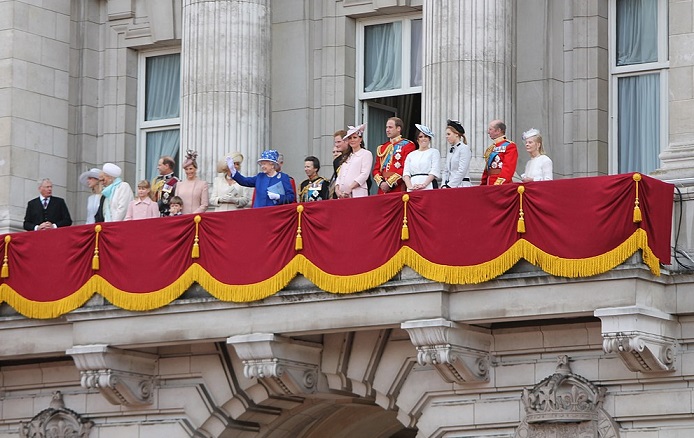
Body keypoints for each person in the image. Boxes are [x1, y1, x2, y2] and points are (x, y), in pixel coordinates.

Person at [226, 149, 295, 208]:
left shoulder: (283, 177)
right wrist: (233, 170)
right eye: (261, 164)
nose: (262, 166)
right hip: (259, 214)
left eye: (264, 164)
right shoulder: (260, 177)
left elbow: (291, 197)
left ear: (272, 165)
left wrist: (278, 197)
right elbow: (244, 181)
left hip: (275, 215)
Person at [372, 117, 416, 194]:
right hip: (382, 189)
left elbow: (405, 168)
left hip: (398, 187)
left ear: (398, 128)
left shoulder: (408, 145)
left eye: (390, 127)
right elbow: (376, 169)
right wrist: (381, 183)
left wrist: (389, 183)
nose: (387, 130)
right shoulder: (382, 148)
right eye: (386, 127)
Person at [335, 124, 373, 198]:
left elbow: (364, 174)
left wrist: (350, 188)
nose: (352, 140)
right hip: (342, 195)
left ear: (360, 139)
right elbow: (339, 176)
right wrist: (337, 189)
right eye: (350, 138)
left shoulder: (366, 154)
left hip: (357, 193)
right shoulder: (347, 156)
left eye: (355, 137)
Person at [403, 124, 441, 191]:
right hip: (413, 186)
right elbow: (406, 173)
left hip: (428, 186)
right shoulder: (411, 155)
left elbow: (434, 171)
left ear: (429, 139)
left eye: (426, 136)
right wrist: (410, 187)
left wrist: (424, 185)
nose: (423, 139)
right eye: (420, 137)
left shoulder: (434, 152)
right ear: (417, 139)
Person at [481, 119, 518, 185]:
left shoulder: (510, 146)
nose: (488, 132)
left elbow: (508, 169)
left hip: (500, 184)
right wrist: (483, 184)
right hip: (489, 183)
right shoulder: (492, 147)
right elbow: (487, 169)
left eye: (490, 129)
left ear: (498, 131)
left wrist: (498, 184)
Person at [176, 150, 209, 215]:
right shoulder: (179, 184)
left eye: (191, 169)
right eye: (186, 169)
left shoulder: (202, 184)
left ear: (195, 169)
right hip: (181, 218)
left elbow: (205, 204)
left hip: (195, 218)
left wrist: (193, 215)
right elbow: (176, 202)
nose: (188, 171)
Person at [441, 119, 472, 188]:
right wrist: (443, 184)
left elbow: (462, 170)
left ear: (456, 134)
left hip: (461, 185)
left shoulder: (464, 148)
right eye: (446, 134)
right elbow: (446, 170)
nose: (447, 136)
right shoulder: (451, 150)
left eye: (449, 134)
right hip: (449, 186)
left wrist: (450, 185)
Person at [329, 129, 349, 199]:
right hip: (340, 196)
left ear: (346, 141)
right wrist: (337, 191)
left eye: (339, 142)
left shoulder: (354, 156)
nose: (336, 145)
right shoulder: (336, 161)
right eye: (335, 142)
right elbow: (337, 178)